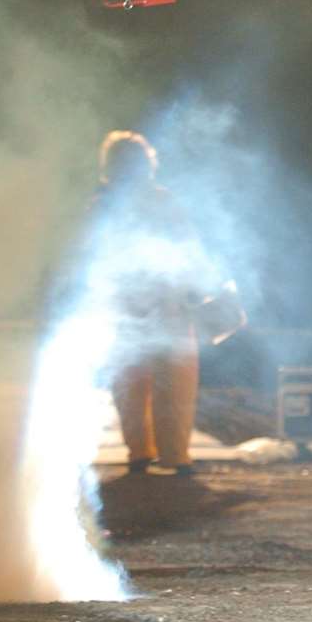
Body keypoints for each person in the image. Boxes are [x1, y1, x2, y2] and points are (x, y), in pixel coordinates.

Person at [90, 130, 214, 477]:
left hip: (123, 305)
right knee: (173, 382)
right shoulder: (163, 201)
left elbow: (92, 256)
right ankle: (175, 455)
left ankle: (140, 452)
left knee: (129, 383)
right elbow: (189, 248)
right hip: (164, 304)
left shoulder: (101, 206)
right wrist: (200, 286)